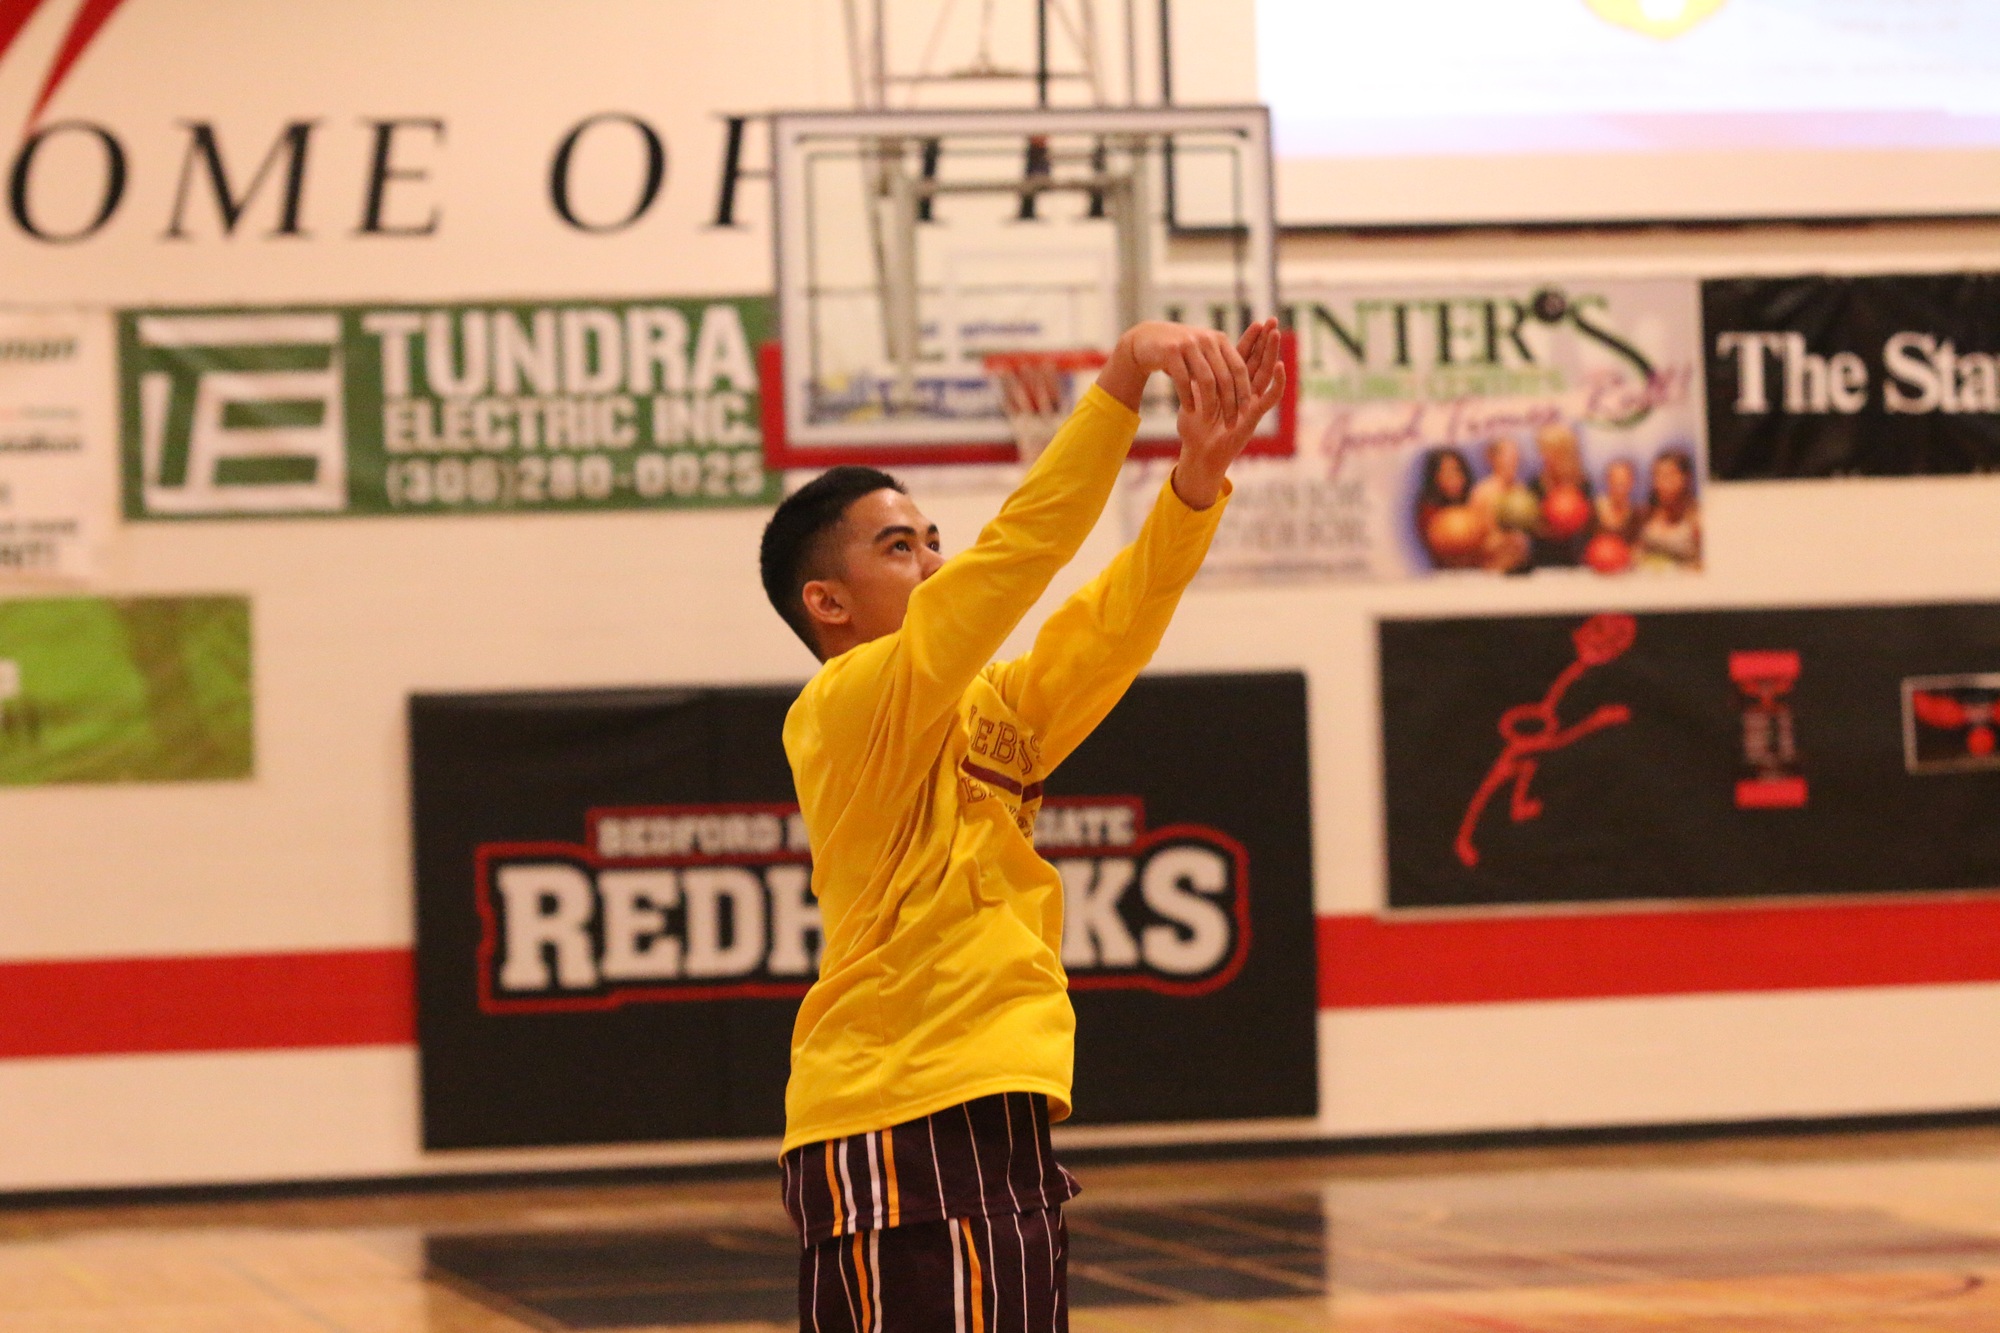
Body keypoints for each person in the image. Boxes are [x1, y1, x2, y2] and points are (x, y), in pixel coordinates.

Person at [757, 319, 1286, 1332]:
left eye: (932, 540)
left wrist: (1194, 486)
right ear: (827, 601)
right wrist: (1123, 376)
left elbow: (1112, 631)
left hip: (989, 1100)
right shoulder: (847, 701)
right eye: (899, 547)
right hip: (902, 1103)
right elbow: (1020, 550)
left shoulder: (989, 708)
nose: (933, 561)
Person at [1637, 446, 1701, 569]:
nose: (1662, 483)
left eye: (1669, 475)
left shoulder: (1697, 516)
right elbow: (1637, 551)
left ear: (1686, 478)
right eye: (1657, 475)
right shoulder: (1647, 512)